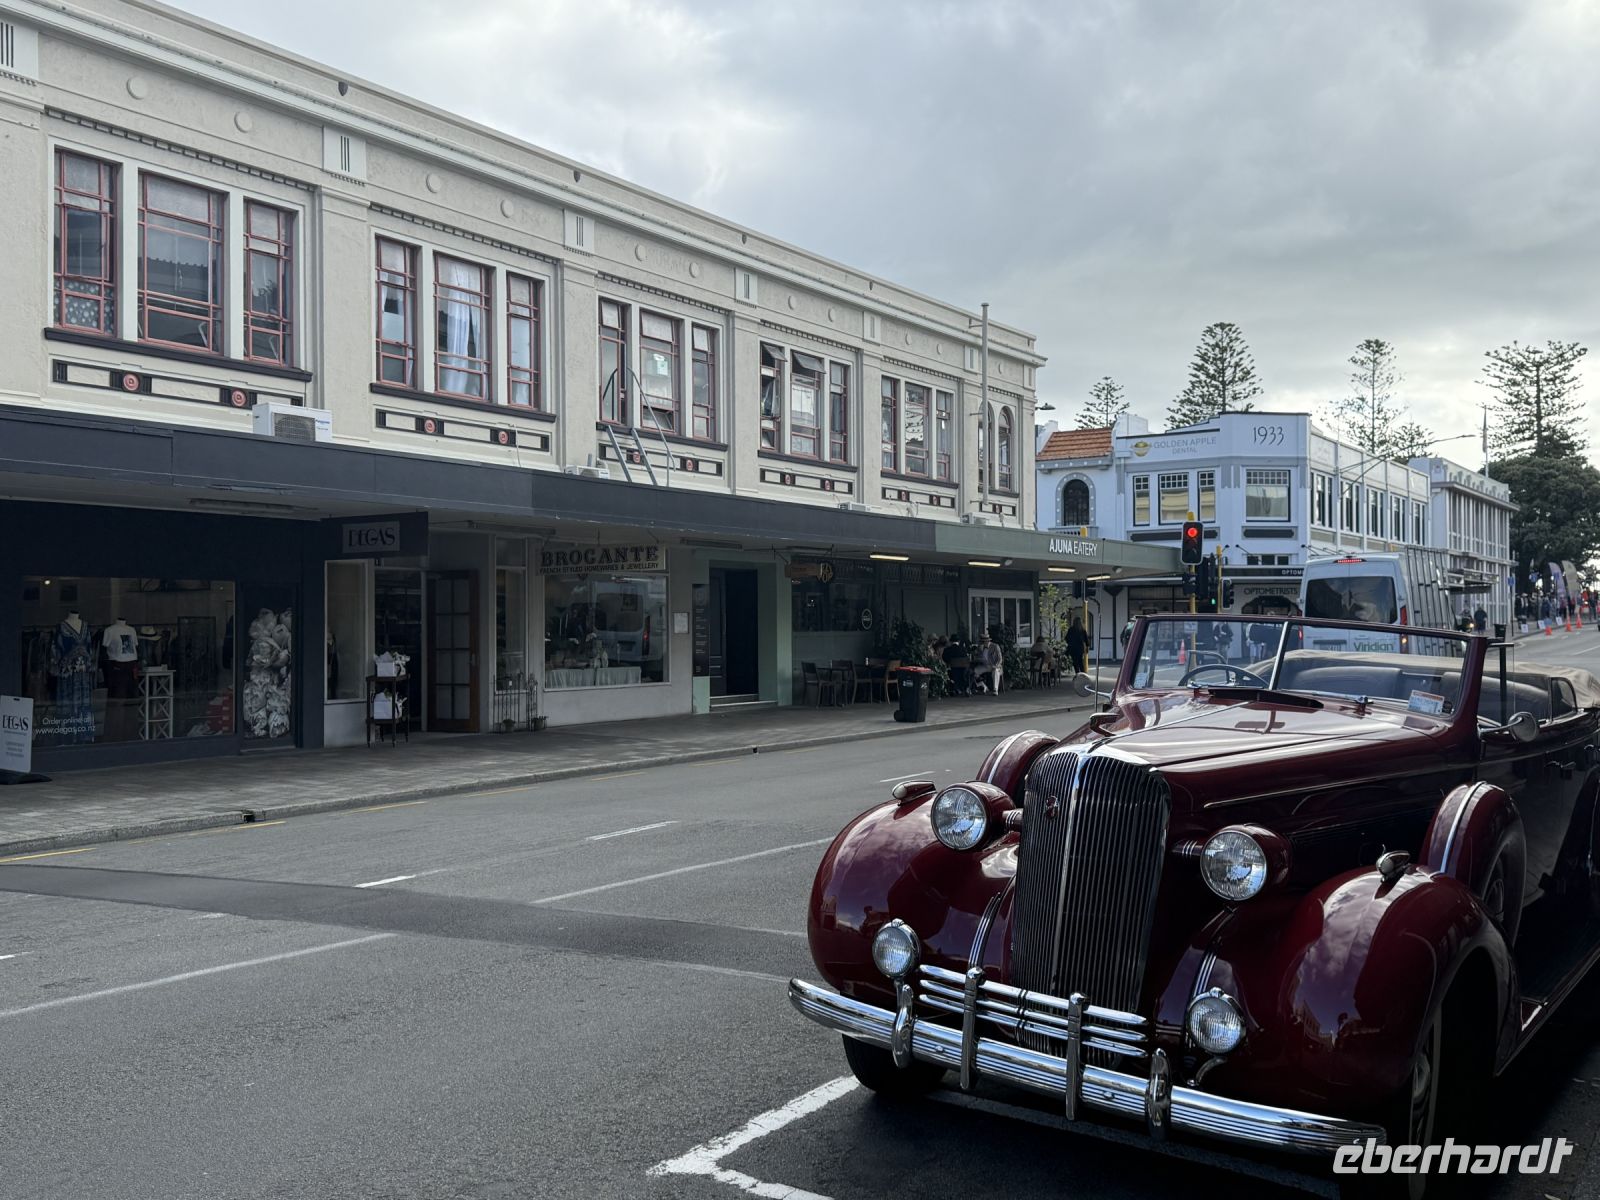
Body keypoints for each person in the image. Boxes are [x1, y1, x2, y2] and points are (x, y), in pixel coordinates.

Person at [973, 631, 1003, 696]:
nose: (982, 643)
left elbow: (1000, 659)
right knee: (974, 671)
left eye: (983, 642)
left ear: (987, 641)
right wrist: (979, 652)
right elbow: (977, 657)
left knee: (995, 671)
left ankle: (995, 690)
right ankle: (982, 685)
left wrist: (996, 665)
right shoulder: (981, 648)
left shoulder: (995, 646)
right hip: (985, 666)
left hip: (994, 665)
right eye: (981, 642)